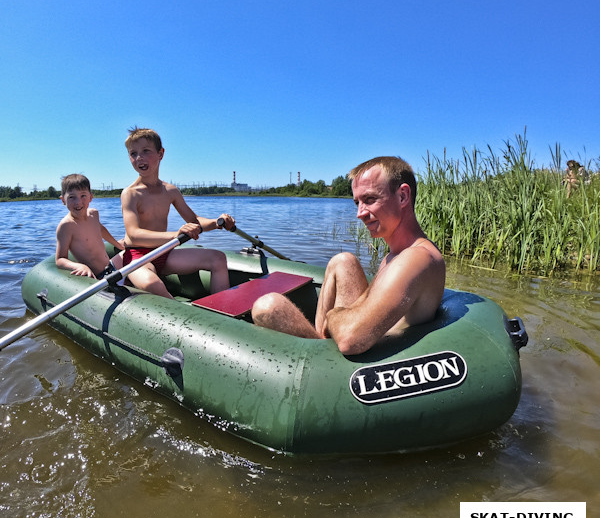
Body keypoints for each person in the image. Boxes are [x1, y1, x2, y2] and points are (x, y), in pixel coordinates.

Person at [252, 156, 446, 356]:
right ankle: (319, 343)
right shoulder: (396, 255)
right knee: (343, 261)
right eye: (357, 203)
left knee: (268, 307)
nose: (360, 213)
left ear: (403, 196)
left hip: (368, 362)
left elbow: (350, 340)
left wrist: (333, 315)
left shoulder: (416, 258)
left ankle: (316, 355)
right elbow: (366, 305)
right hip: (362, 342)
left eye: (370, 200)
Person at [120, 126, 235, 298]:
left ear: (161, 154)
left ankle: (223, 311)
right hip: (137, 256)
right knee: (151, 284)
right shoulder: (130, 193)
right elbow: (134, 234)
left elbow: (194, 220)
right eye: (133, 153)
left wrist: (217, 222)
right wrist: (176, 235)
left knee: (218, 258)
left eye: (145, 151)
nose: (139, 158)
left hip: (163, 252)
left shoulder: (170, 191)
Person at [56, 173, 125, 278]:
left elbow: (101, 230)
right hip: (101, 275)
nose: (78, 202)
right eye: (71, 197)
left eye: (83, 196)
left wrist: (117, 245)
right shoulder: (66, 226)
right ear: (63, 200)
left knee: (135, 255)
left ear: (90, 197)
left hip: (111, 265)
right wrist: (80, 267)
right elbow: (60, 259)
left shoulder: (94, 213)